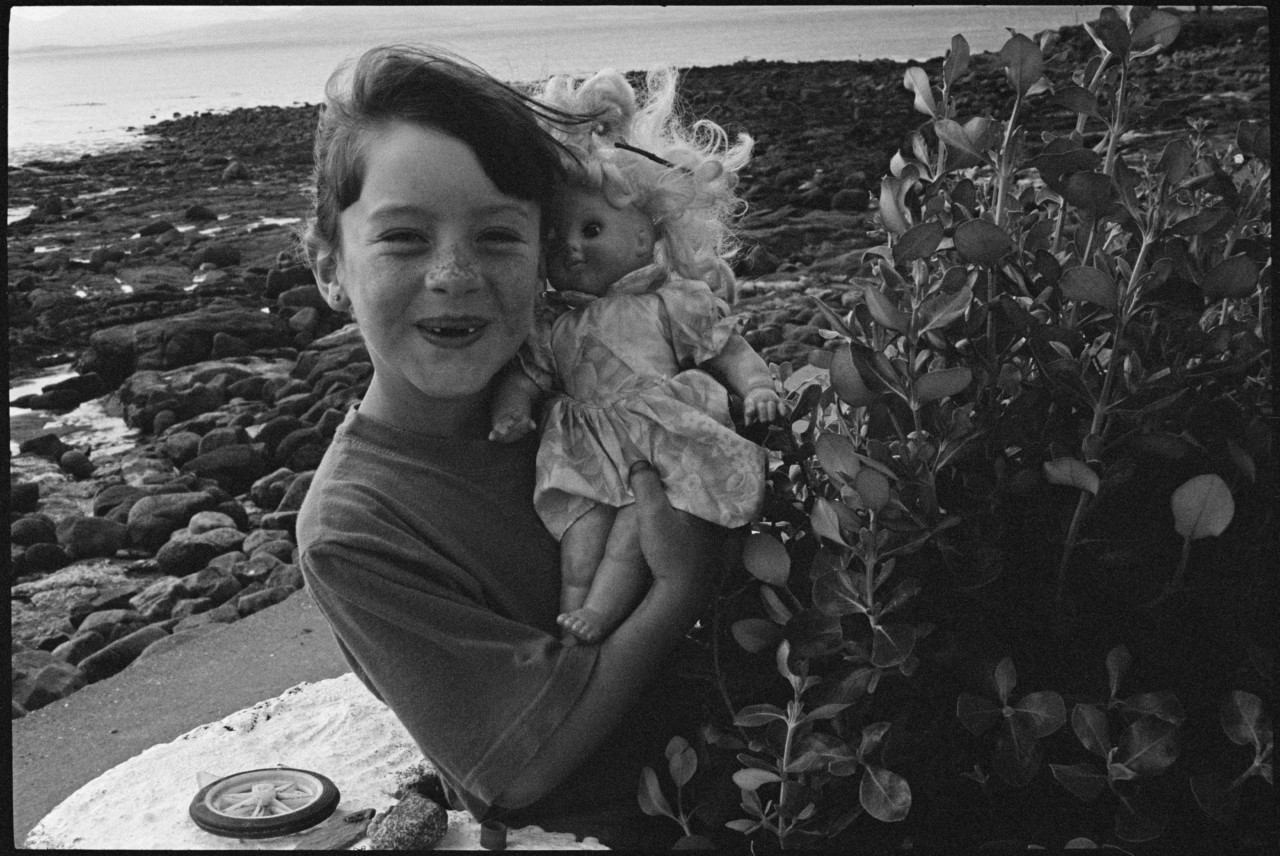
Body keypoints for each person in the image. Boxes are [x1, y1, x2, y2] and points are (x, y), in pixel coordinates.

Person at [295, 46, 726, 847]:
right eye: (404, 238)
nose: (455, 274)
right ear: (330, 266)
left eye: (498, 236)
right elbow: (520, 769)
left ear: (547, 254)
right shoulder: (355, 528)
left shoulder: (589, 389)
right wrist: (678, 587)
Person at [488, 68, 783, 645]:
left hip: (659, 437)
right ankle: (571, 625)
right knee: (580, 541)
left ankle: (600, 616)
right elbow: (529, 376)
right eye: (556, 238)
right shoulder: (553, 323)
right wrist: (512, 408)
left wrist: (758, 386)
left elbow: (729, 349)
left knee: (633, 536)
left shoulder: (669, 302)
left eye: (592, 228)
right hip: (585, 445)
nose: (571, 247)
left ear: (647, 235)